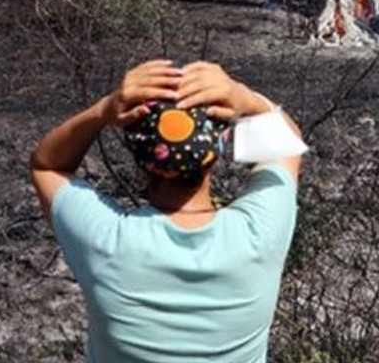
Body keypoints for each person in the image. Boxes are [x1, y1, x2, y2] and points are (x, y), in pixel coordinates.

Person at [30, 60, 304, 363]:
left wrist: (103, 111)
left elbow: (47, 165)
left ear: (137, 151)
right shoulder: (259, 235)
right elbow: (288, 146)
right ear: (216, 151)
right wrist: (245, 99)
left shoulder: (106, 242)